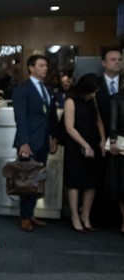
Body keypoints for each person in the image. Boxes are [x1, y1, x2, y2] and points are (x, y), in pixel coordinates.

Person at [12, 54, 59, 232]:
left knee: (37, 179)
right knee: (27, 179)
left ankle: (30, 213)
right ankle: (24, 216)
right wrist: (24, 143)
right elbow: (20, 118)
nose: (45, 68)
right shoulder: (23, 89)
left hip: (43, 141)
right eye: (41, 65)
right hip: (29, 142)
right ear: (31, 68)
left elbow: (51, 116)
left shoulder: (46, 89)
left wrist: (54, 137)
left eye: (46, 65)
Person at [63, 73, 105, 232]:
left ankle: (85, 216)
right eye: (91, 92)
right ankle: (75, 216)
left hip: (93, 144)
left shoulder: (92, 100)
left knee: (91, 182)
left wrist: (102, 139)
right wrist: (85, 145)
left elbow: (99, 121)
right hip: (76, 145)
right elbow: (69, 127)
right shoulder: (71, 101)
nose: (93, 95)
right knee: (75, 182)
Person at [94, 48, 123, 225]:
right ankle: (99, 217)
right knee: (100, 176)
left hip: (121, 139)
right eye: (113, 59)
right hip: (98, 136)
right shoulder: (95, 83)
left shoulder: (123, 84)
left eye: (119, 59)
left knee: (120, 179)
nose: (117, 62)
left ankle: (118, 219)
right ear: (104, 63)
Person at [106, 75, 124, 235]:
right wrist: (112, 141)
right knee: (122, 186)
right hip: (121, 146)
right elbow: (113, 122)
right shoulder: (116, 99)